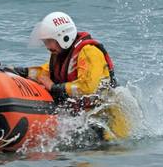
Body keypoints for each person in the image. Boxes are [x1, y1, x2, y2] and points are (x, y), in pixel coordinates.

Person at [8, 11, 129, 139]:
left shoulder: (89, 52)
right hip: (88, 115)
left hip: (109, 119)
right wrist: (16, 71)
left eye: (49, 41)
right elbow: (44, 72)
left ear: (64, 37)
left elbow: (88, 87)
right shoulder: (61, 54)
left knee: (101, 150)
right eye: (45, 42)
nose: (47, 46)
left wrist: (54, 88)